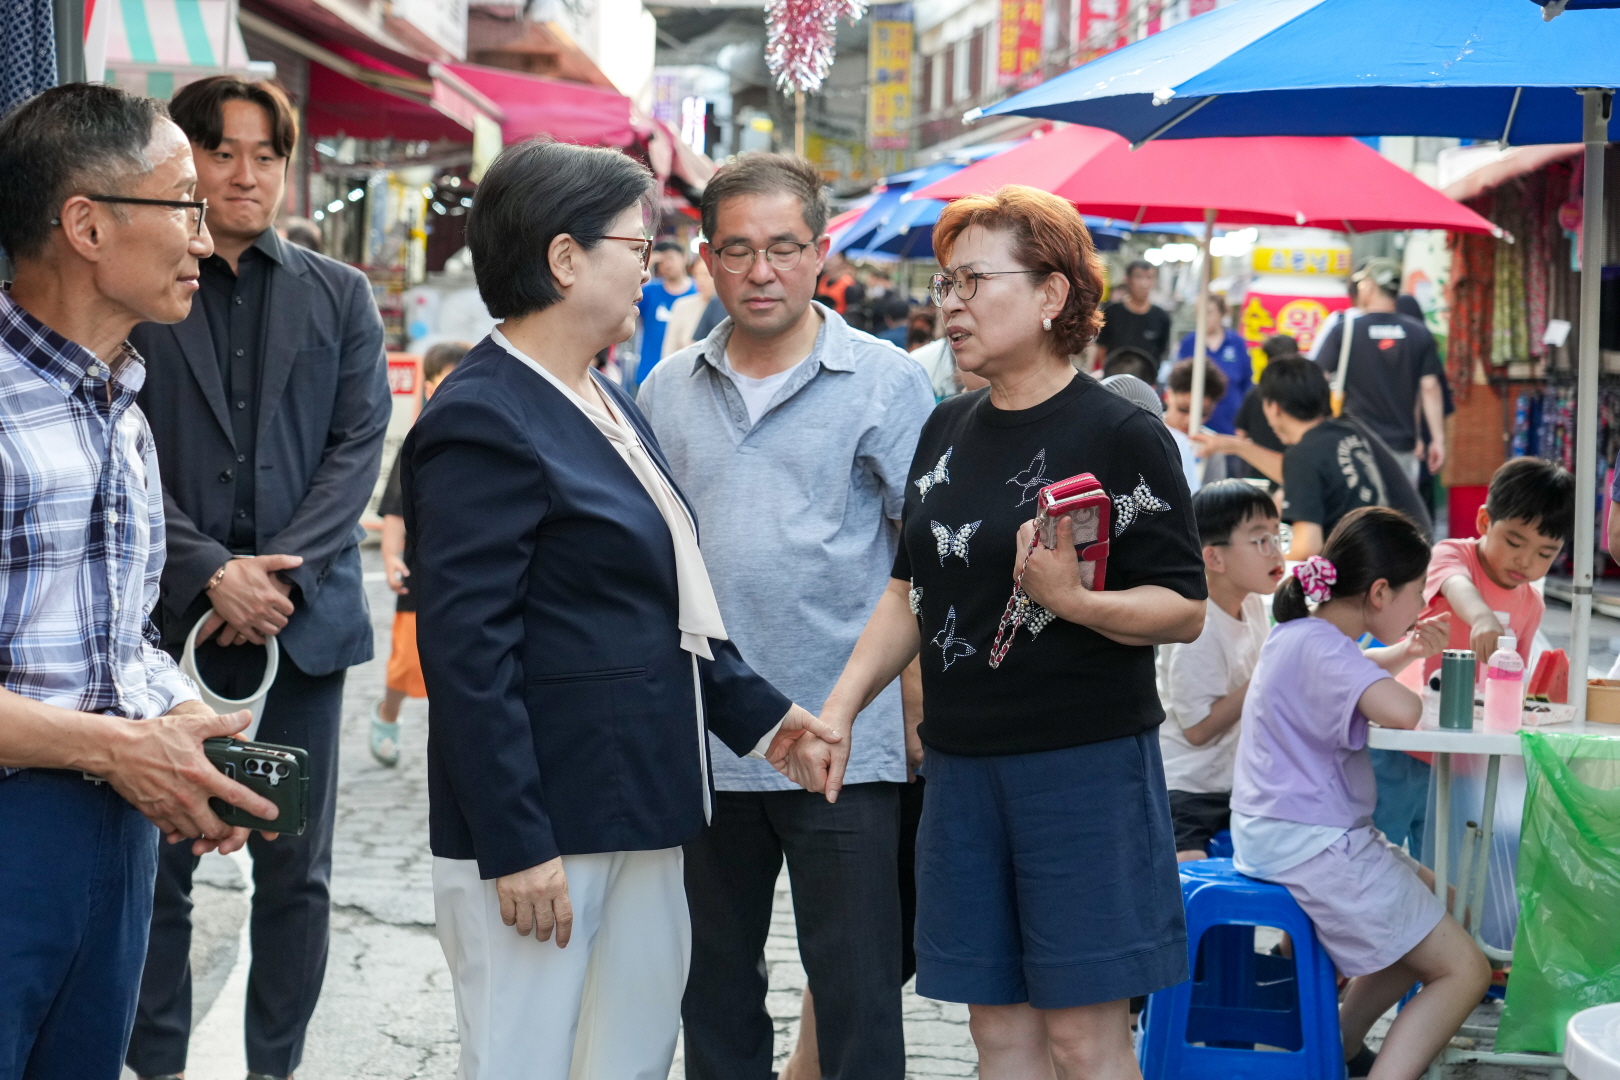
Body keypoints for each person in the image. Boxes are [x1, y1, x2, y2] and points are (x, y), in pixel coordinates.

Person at [400, 138, 840, 1080]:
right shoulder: (484, 414)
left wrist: (763, 718)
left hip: (640, 796)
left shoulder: (599, 394)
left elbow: (656, 605)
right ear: (565, 258)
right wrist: (517, 841)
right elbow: (468, 654)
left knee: (628, 1057)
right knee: (525, 1060)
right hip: (550, 822)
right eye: (637, 248)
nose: (652, 267)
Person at [790, 184, 1207, 1079]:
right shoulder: (945, 427)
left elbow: (1184, 606)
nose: (952, 304)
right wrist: (842, 707)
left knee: (1083, 1039)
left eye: (974, 281)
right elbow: (908, 587)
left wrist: (1077, 601)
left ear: (1053, 293)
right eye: (945, 283)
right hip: (962, 767)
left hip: (1083, 768)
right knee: (999, 1035)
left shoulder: (1121, 432)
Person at [0, 82, 281, 1080]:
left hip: (114, 839)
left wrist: (181, 726)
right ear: (85, 225)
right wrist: (124, 748)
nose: (204, 237)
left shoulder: (121, 402)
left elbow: (119, 642)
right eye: (183, 205)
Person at [637, 151, 935, 1080]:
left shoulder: (886, 382)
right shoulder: (666, 389)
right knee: (713, 991)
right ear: (707, 257)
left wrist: (913, 712)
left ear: (819, 253)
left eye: (782, 247)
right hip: (704, 741)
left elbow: (924, 562)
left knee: (857, 996)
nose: (760, 271)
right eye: (737, 249)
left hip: (842, 741)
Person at [124, 75, 392, 1080]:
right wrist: (209, 572)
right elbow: (120, 443)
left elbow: (358, 445)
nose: (246, 174)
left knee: (295, 872)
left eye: (267, 155)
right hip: (161, 632)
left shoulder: (341, 293)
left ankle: (273, 1068)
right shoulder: (144, 288)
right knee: (157, 868)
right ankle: (156, 1065)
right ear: (185, 163)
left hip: (302, 631)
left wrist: (278, 579)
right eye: (223, 152)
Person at [1231, 507, 1485, 1080]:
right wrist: (1415, 671)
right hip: (1312, 842)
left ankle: (1341, 1046)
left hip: (1286, 831)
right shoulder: (1324, 648)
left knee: (1442, 902)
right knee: (1465, 970)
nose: (1421, 607)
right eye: (1417, 594)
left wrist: (1406, 651)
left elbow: (1359, 664)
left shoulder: (1303, 634)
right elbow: (1402, 709)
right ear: (1379, 591)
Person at [1379, 457, 1574, 859]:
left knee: (1442, 865)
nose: (1525, 561)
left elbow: (1510, 688)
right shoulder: (1453, 555)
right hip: (1402, 740)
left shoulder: (1531, 604)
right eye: (1515, 542)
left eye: (1545, 553)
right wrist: (1482, 617)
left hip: (1461, 761)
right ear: (1485, 521)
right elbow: (1456, 585)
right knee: (1374, 847)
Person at [1158, 480, 1285, 863]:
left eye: (1278, 535)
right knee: (1189, 862)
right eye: (1260, 540)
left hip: (1237, 782)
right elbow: (1198, 731)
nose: (1275, 550)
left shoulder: (1253, 605)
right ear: (1214, 558)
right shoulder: (1197, 628)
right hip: (1187, 785)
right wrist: (1267, 673)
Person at [371, 341, 471, 765]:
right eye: (448, 379)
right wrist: (390, 556)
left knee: (464, 664)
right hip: (422, 570)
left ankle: (460, 740)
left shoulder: (488, 436)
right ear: (429, 386)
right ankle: (387, 713)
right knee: (408, 661)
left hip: (470, 570)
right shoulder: (421, 439)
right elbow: (395, 509)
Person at [1257, 357, 1428, 561]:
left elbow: (1307, 547)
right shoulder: (1348, 433)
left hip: (1352, 569)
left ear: (1274, 407)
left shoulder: (1302, 455)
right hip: (1386, 555)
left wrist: (1268, 567)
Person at [1313, 257, 1446, 484]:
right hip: (1402, 444)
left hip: (1354, 442)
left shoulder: (1346, 330)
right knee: (1399, 505)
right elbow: (1429, 387)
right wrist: (1437, 440)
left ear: (1369, 286)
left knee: (1360, 504)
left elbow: (1319, 379)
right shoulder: (1418, 332)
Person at [1175, 293, 1250, 434]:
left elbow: (1246, 383)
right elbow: (1177, 383)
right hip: (1195, 422)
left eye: (1209, 312)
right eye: (1199, 312)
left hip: (1230, 422)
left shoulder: (1236, 343)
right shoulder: (1189, 343)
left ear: (1221, 314)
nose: (1203, 317)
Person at [633, 239, 697, 388]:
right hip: (649, 373)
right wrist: (648, 263)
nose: (667, 264)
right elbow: (627, 299)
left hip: (685, 376)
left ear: (684, 258)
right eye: (662, 261)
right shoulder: (650, 291)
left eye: (671, 258)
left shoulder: (698, 292)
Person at [1164, 358, 1229, 494]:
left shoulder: (1212, 446)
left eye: (1203, 413)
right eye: (1183, 409)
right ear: (1168, 396)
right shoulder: (1149, 431)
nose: (1190, 420)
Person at [1092, 259, 1171, 369]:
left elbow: (1162, 352)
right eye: (1139, 277)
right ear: (1127, 279)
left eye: (1149, 277)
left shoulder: (1161, 317)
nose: (1144, 284)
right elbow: (1101, 349)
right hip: (1114, 375)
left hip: (1147, 377)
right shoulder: (1111, 313)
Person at [662, 254, 715, 358]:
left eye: (705, 274)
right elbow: (669, 349)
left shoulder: (727, 308)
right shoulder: (682, 305)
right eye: (696, 274)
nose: (700, 280)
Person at [815, 251, 864, 320]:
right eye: (828, 256)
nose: (829, 260)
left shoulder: (849, 285)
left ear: (843, 261)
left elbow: (853, 312)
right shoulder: (821, 279)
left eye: (833, 257)